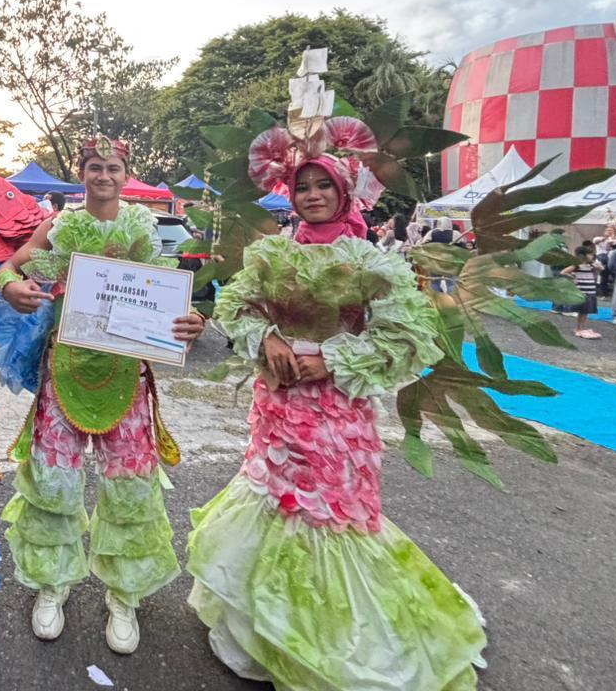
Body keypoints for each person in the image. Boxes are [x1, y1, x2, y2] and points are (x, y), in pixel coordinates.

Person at [187, 146, 486, 688]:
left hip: (337, 409)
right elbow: (235, 308)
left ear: (344, 192)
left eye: (323, 185)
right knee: (276, 497)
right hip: (280, 405)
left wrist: (331, 360)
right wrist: (268, 338)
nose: (313, 196)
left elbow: (405, 336)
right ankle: (264, 626)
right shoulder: (274, 253)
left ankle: (326, 636)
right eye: (303, 187)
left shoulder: (371, 260)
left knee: (329, 510)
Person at [0, 135, 205, 655]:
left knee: (130, 486)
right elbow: (12, 266)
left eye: (112, 167)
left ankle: (123, 595)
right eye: (94, 167)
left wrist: (192, 320)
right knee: (53, 481)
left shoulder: (144, 226)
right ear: (80, 173)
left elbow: (169, 294)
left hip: (126, 372)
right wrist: (9, 287)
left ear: (125, 173)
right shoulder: (58, 225)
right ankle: (52, 583)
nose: (103, 176)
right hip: (64, 367)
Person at [561, 242, 603, 339]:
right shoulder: (577, 266)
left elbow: (599, 271)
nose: (592, 256)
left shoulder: (591, 266)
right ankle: (579, 329)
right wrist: (573, 277)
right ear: (582, 256)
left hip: (590, 291)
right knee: (583, 312)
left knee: (585, 312)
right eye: (590, 254)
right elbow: (563, 272)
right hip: (582, 292)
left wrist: (598, 269)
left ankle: (580, 328)